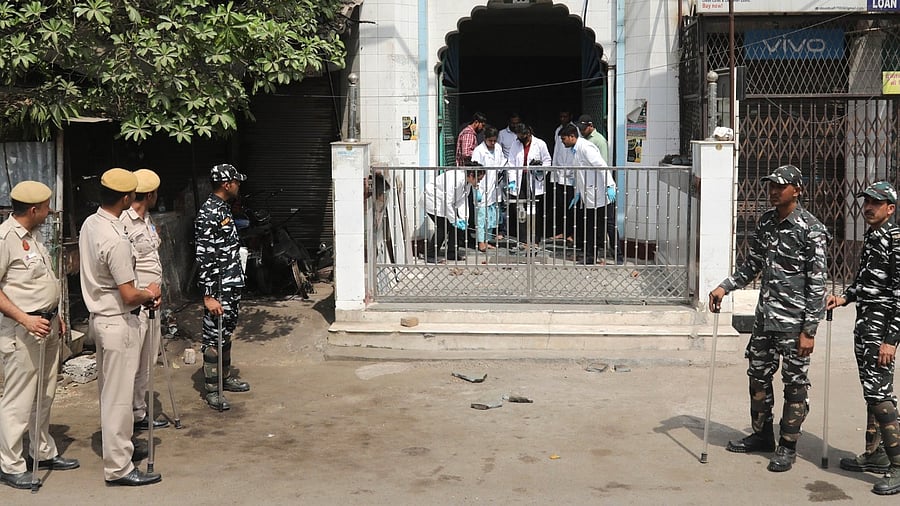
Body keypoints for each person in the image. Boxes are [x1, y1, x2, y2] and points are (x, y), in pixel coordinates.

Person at [708, 164, 828, 473]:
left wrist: (809, 331)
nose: (773, 191)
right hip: (764, 320)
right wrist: (726, 286)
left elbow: (817, 285)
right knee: (758, 378)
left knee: (795, 385)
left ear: (797, 190)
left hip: (794, 323)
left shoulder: (811, 229)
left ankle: (787, 446)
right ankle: (762, 435)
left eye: (780, 186)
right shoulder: (766, 223)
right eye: (771, 185)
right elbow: (753, 265)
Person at [80, 168, 162, 486]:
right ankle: (119, 468)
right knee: (118, 397)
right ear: (126, 198)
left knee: (111, 393)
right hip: (117, 321)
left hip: (101, 319)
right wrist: (149, 293)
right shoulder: (115, 238)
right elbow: (129, 293)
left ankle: (120, 448)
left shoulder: (92, 223)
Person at [0, 181, 79, 490]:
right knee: (18, 400)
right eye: (46, 207)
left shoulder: (32, 238)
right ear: (34, 210)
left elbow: (40, 284)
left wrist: (55, 315)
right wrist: (25, 319)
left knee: (44, 395)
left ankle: (41, 451)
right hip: (22, 331)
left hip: (46, 327)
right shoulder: (5, 238)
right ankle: (9, 463)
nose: (49, 212)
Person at [825, 181, 900, 495]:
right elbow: (868, 283)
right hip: (865, 326)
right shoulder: (873, 236)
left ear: (890, 208)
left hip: (881, 331)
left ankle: (897, 466)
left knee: (881, 397)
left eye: (876, 202)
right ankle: (876, 453)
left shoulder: (895, 240)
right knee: (872, 393)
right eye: (866, 201)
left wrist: (891, 340)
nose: (868, 207)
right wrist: (844, 298)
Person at [195, 163, 252, 411]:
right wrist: (208, 295)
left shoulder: (223, 209)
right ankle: (212, 390)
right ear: (227, 184)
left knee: (225, 333)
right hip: (217, 289)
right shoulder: (209, 213)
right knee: (213, 336)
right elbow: (205, 256)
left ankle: (225, 378)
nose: (239, 185)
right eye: (236, 182)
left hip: (230, 285)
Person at [119, 169, 170, 432]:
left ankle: (139, 412)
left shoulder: (147, 219)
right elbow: (124, 267)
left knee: (147, 360)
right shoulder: (123, 222)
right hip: (136, 303)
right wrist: (144, 294)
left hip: (154, 302)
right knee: (131, 362)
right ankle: (125, 417)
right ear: (149, 194)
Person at [558, 125, 616, 265]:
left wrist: (609, 185)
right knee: (590, 228)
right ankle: (590, 257)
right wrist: (577, 193)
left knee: (597, 228)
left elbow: (601, 166)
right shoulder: (575, 150)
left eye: (564, 139)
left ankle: (602, 256)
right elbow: (580, 174)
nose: (563, 142)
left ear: (572, 136)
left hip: (599, 194)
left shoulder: (586, 148)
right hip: (588, 195)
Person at [424, 168, 485, 263]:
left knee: (454, 228)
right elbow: (447, 201)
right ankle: (431, 255)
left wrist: (464, 218)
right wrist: (454, 220)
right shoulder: (455, 179)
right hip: (433, 199)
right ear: (472, 175)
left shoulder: (467, 183)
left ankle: (451, 253)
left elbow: (462, 201)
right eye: (479, 179)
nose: (479, 182)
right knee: (443, 227)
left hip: (444, 203)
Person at [508, 123, 551, 246]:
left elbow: (548, 160)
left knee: (534, 210)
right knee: (520, 210)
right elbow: (511, 162)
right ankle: (523, 239)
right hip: (519, 179)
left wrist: (541, 169)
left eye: (522, 135)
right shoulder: (515, 144)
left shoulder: (540, 144)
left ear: (528, 134)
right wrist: (511, 180)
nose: (519, 138)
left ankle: (535, 239)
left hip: (534, 178)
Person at [471, 125, 508, 252]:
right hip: (481, 187)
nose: (492, 143)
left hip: (494, 187)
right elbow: (474, 170)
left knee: (492, 217)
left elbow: (502, 162)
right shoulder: (478, 151)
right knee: (482, 217)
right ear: (485, 138)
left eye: (494, 140)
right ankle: (481, 242)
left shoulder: (497, 148)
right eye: (490, 141)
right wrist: (476, 189)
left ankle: (487, 240)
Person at [549, 111, 578, 242]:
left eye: (565, 116)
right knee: (560, 205)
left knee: (571, 207)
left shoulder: (574, 130)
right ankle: (562, 231)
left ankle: (572, 233)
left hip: (571, 176)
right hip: (559, 173)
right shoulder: (558, 130)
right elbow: (556, 151)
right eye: (561, 116)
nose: (562, 118)